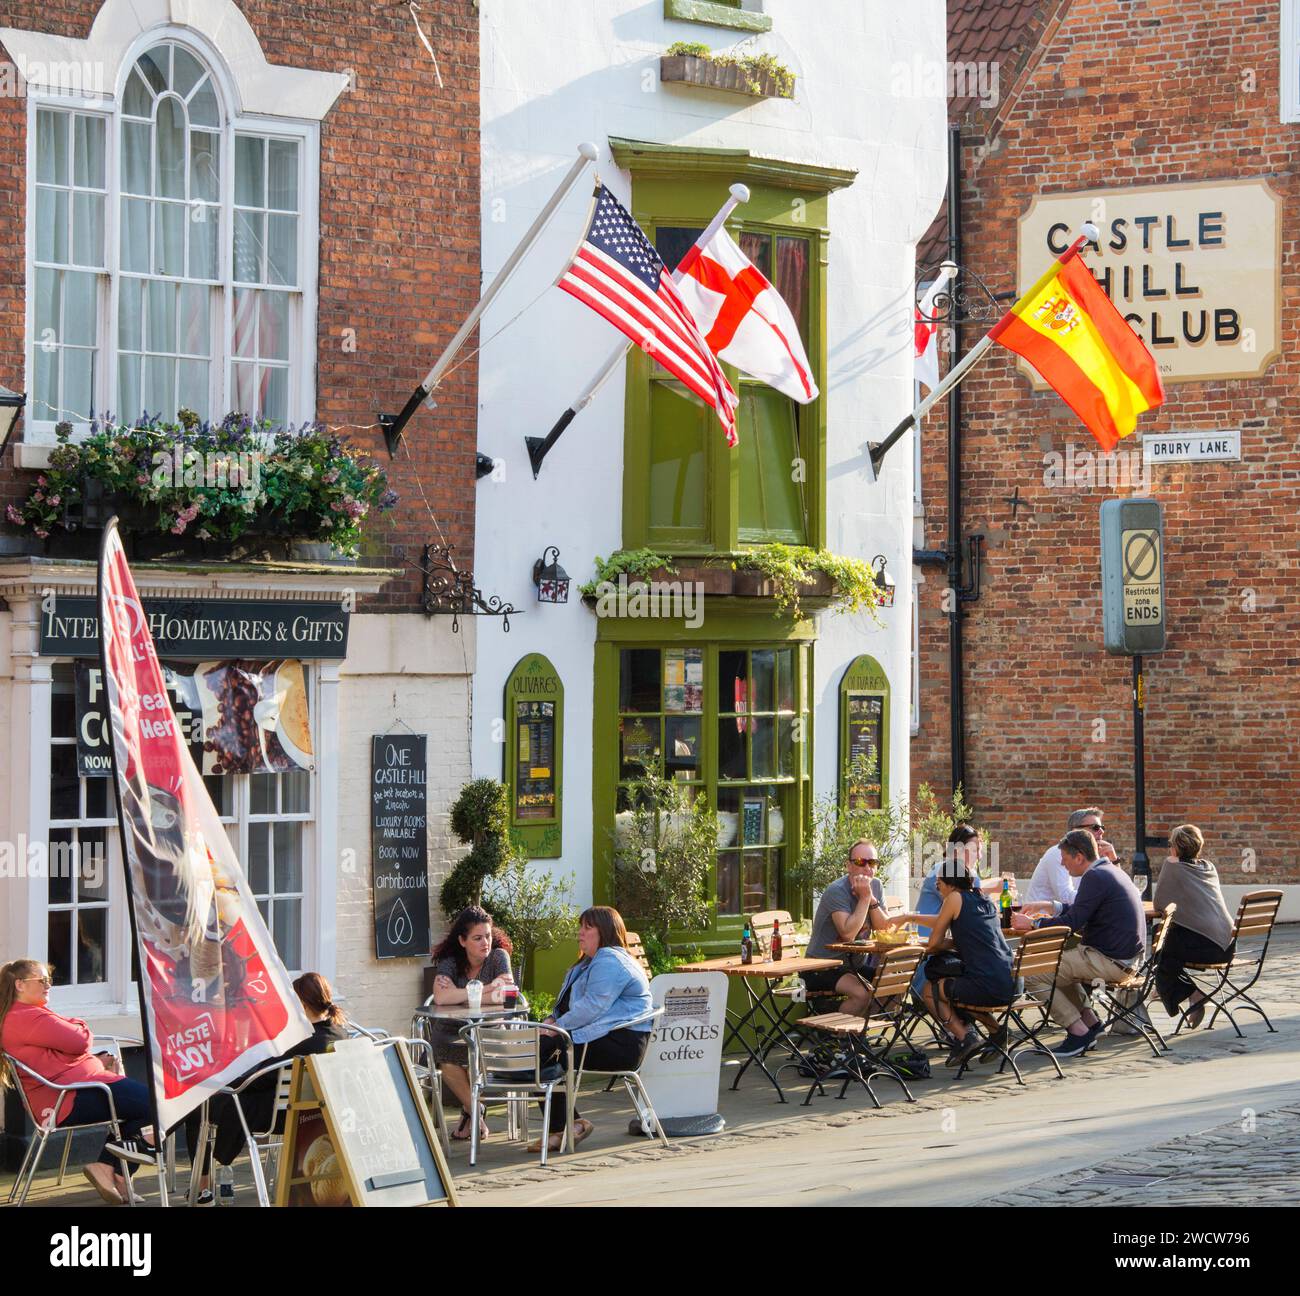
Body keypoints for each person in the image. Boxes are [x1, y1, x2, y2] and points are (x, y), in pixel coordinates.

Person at [183, 972, 349, 1205]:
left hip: (277, 1115)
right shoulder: (341, 1034)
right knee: (209, 1099)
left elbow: (256, 1080)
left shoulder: (302, 1041)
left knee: (197, 1106)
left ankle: (201, 1187)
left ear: (300, 1003)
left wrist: (221, 1083)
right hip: (314, 1116)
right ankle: (153, 1139)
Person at [0, 958, 154, 1205]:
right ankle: (115, 1165)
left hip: (75, 1089)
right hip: (69, 1097)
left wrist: (93, 1059)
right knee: (156, 1104)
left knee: (138, 1109)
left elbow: (57, 1054)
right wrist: (79, 1024)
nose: (48, 985)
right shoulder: (27, 1018)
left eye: (49, 980)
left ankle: (112, 1171)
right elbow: (80, 1041)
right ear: (19, 985)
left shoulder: (25, 1016)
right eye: (42, 980)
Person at [1011, 828, 1146, 1057]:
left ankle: (1077, 1031)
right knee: (1054, 964)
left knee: (1032, 972)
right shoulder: (1108, 871)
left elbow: (1072, 922)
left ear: (1079, 857)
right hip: (1125, 959)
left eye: (1065, 859)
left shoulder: (1094, 877)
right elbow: (1083, 909)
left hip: (1110, 960)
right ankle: (1091, 1024)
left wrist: (1033, 924)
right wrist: (1049, 907)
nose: (1063, 865)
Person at [531, 906, 653, 1154]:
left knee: (542, 1050)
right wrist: (550, 1020)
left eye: (588, 927)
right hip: (600, 1037)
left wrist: (555, 1030)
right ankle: (568, 1125)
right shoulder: (587, 963)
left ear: (605, 932)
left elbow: (592, 1007)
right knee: (539, 1048)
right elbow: (566, 1005)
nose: (580, 933)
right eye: (580, 927)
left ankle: (563, 1127)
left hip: (622, 1043)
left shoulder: (610, 960)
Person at [916, 859, 1019, 1068]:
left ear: (949, 883)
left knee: (931, 989)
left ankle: (966, 1038)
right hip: (1013, 982)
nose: (938, 888)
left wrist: (948, 943)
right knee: (959, 986)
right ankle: (998, 1032)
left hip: (989, 986)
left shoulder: (954, 898)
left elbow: (934, 943)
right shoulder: (984, 898)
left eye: (939, 884)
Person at [428, 905, 516, 1142]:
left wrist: (460, 993)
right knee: (446, 1057)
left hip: (489, 1031)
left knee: (469, 1057)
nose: (485, 942)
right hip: (450, 1031)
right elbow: (441, 998)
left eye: (488, 936)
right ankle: (477, 1110)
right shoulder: (450, 961)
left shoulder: (498, 957)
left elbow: (505, 996)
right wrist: (485, 990)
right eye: (477, 938)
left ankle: (471, 1113)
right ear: (462, 940)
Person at [1152, 824, 1235, 1028]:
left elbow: (1160, 904)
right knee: (1165, 944)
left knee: (1161, 944)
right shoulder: (1208, 867)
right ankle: (1168, 987)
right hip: (1228, 946)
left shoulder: (1173, 866)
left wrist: (1170, 861)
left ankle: (1188, 993)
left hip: (1209, 948)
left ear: (1175, 848)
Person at [803, 839, 896, 1017]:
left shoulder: (875, 885)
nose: (868, 868)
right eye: (861, 862)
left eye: (873, 862)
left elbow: (884, 930)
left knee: (895, 986)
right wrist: (864, 899)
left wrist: (873, 900)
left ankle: (858, 1029)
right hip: (821, 966)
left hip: (854, 966)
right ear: (849, 866)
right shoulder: (836, 890)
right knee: (862, 994)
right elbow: (848, 934)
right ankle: (838, 1036)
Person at [1026, 807, 1122, 907]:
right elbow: (1065, 897)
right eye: (1095, 827)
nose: (1101, 831)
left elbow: (1119, 887)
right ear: (1076, 830)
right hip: (1040, 918)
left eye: (1102, 827)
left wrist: (1114, 861)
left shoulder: (1095, 854)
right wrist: (1103, 897)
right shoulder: (1058, 853)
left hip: (1071, 916)